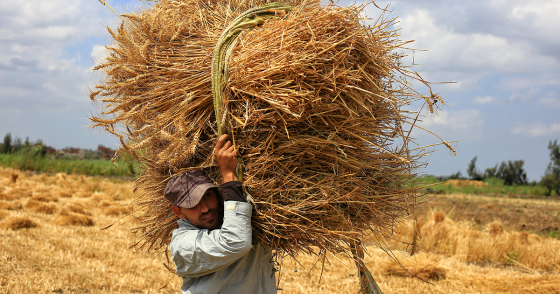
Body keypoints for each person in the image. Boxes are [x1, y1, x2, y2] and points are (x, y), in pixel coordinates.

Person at [165, 134, 277, 294]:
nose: (204, 208)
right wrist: (228, 173)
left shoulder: (247, 219)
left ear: (218, 195)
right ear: (178, 211)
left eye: (208, 196)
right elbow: (235, 241)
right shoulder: (184, 245)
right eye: (193, 204)